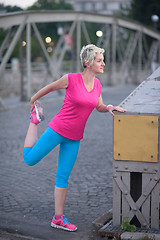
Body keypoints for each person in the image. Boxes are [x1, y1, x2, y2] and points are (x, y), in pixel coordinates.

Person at [23, 44, 126, 232]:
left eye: (103, 60)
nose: (103, 63)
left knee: (63, 176)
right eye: (99, 60)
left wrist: (109, 107)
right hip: (57, 129)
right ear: (88, 63)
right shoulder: (70, 79)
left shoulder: (97, 85)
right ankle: (34, 121)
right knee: (29, 160)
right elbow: (48, 88)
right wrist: (33, 100)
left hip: (75, 138)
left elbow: (99, 106)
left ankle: (58, 218)